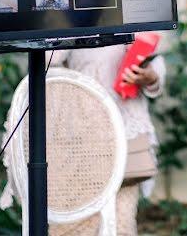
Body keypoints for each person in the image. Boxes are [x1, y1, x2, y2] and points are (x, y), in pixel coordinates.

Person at [47, 35, 165, 235]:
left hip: (125, 130)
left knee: (121, 221)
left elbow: (154, 63)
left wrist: (149, 76)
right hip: (81, 135)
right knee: (76, 221)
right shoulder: (70, 16)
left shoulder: (129, 12)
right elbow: (48, 60)